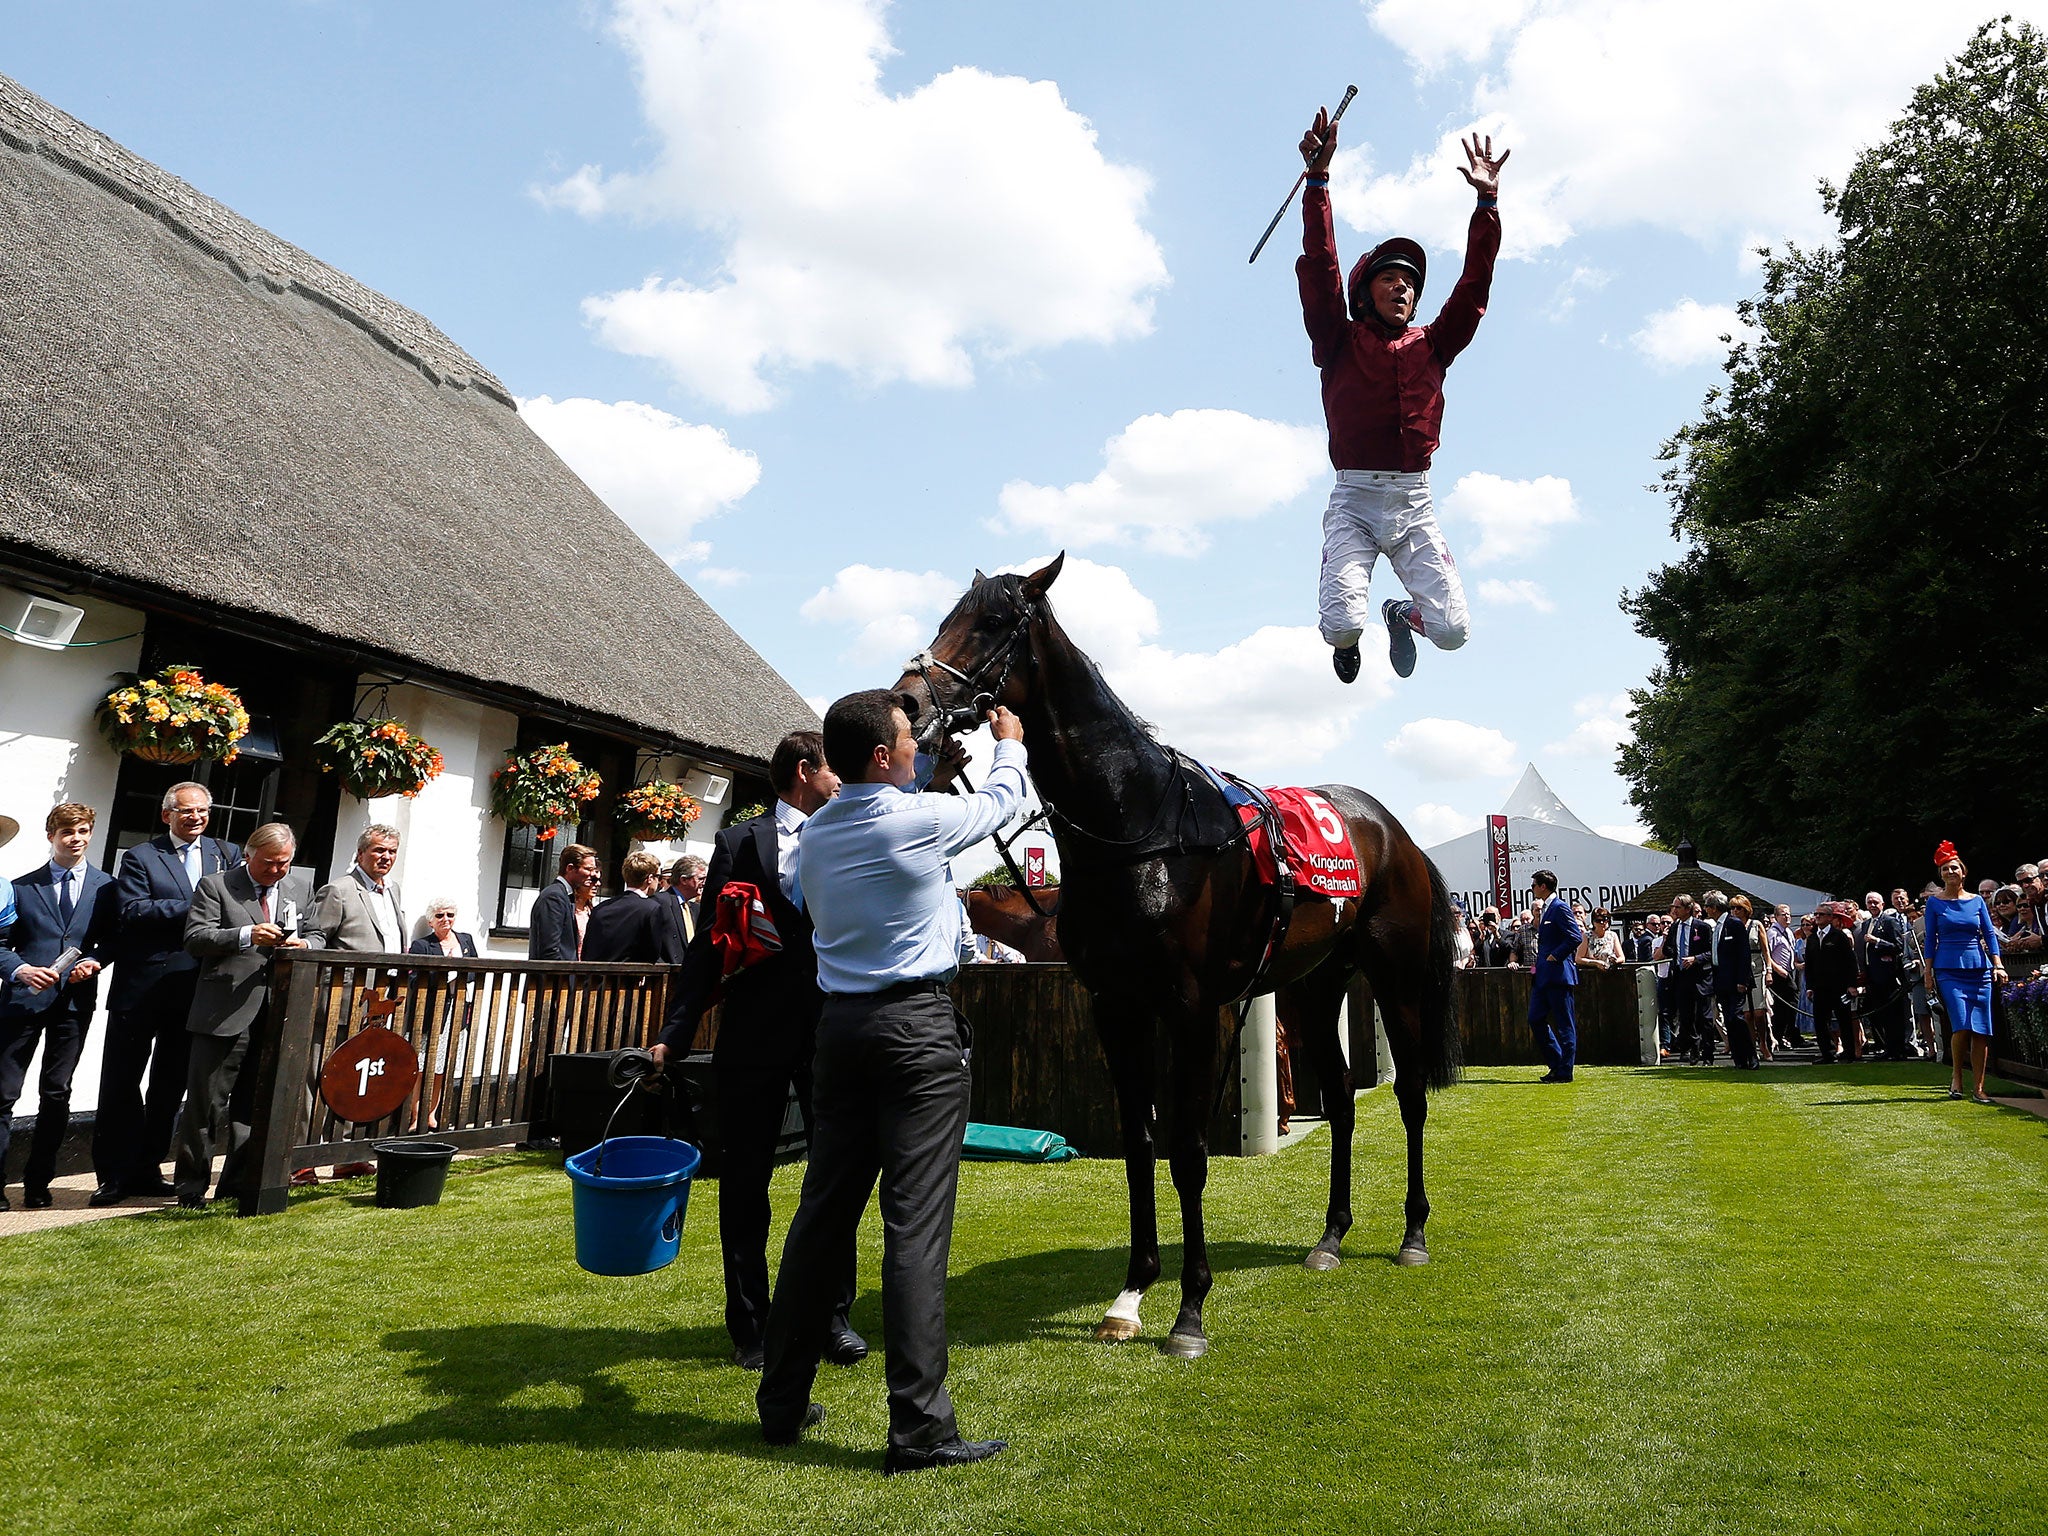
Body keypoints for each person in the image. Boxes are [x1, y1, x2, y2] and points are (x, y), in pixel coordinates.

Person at [754, 691, 1027, 1472]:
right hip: (916, 1033)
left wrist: (929, 777)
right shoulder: (921, 820)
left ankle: (780, 1402)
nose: (914, 746)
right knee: (915, 1229)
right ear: (882, 755)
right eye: (907, 739)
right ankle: (918, 1429)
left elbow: (859, 848)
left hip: (838, 1033)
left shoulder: (814, 837)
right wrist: (1010, 742)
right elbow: (1002, 803)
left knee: (821, 1220)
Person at [655, 731, 861, 1375]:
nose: (841, 777)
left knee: (837, 1172)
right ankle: (749, 1324)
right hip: (754, 1029)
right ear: (806, 772)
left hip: (832, 1026)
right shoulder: (739, 842)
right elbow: (713, 943)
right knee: (745, 1180)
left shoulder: (853, 829)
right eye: (833, 768)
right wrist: (676, 1032)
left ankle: (834, 1317)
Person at [1294, 106, 1507, 683]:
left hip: (1414, 504)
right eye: (1390, 278)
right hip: (1355, 500)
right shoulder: (1337, 338)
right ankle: (1348, 635)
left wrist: (1486, 206)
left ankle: (1399, 612)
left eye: (1411, 282)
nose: (1403, 287)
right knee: (1339, 625)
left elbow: (1474, 287)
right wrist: (1318, 183)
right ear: (1364, 293)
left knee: (1453, 634)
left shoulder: (1434, 344)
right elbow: (1321, 266)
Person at [93, 781, 242, 1206]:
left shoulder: (225, 854)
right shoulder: (142, 856)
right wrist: (197, 905)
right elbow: (132, 911)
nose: (195, 817)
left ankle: (147, 1167)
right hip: (142, 990)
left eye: (202, 811)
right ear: (167, 815)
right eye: (186, 811)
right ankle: (114, 1175)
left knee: (169, 1087)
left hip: (196, 989)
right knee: (122, 1083)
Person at [172, 822, 311, 1209]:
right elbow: (196, 939)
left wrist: (306, 941)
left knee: (255, 1103)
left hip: (276, 1011)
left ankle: (236, 1183)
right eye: (269, 864)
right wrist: (247, 935)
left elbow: (317, 932)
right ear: (248, 855)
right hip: (224, 1011)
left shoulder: (298, 887)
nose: (277, 871)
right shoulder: (216, 886)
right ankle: (190, 1186)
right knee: (207, 1103)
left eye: (284, 864)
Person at [0, 804, 117, 1210]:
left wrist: (96, 959)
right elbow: (0, 946)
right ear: (51, 836)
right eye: (68, 832)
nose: (77, 839)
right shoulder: (20, 886)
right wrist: (20, 970)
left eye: (84, 831)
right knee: (3, 1094)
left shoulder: (106, 887)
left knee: (56, 1092)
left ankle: (37, 1183)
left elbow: (114, 940)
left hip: (73, 1004)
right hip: (22, 1004)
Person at [1923, 841, 2005, 1104]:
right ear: (1941, 874)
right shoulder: (1935, 904)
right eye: (1945, 869)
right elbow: (1930, 939)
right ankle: (1957, 1076)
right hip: (1948, 969)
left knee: (1981, 1028)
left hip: (1978, 968)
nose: (1950, 872)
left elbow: (1989, 933)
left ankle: (1979, 1087)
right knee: (1961, 1025)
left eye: (1954, 868)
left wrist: (1998, 963)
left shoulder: (1977, 900)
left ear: (1963, 872)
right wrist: (1928, 970)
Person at [406, 900, 477, 1132]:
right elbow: (415, 979)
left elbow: (476, 969)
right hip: (430, 1015)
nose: (446, 919)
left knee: (442, 1067)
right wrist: (445, 975)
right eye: (440, 916)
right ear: (430, 921)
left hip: (457, 1012)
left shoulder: (465, 940)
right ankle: (416, 1115)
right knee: (420, 1066)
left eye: (450, 914)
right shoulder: (422, 945)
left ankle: (431, 1114)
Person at [305, 825, 407, 953]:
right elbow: (317, 939)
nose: (387, 857)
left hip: (392, 972)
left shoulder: (393, 889)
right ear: (360, 853)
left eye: (392, 851)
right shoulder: (338, 891)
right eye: (380, 850)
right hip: (350, 972)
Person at [1526, 870, 1581, 1083]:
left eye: (1533, 885)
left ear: (1542, 886)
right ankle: (1557, 1064)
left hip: (1558, 976)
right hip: (1542, 977)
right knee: (1535, 1018)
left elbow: (1575, 936)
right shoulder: (1547, 909)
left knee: (1565, 1024)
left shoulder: (1560, 908)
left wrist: (1554, 956)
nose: (1531, 888)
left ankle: (1565, 1071)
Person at [582, 851, 684, 964]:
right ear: (649, 878)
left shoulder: (601, 908)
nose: (659, 882)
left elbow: (587, 949)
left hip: (594, 978)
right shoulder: (651, 908)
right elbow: (652, 953)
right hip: (628, 978)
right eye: (658, 877)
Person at [1702, 893, 1758, 1069]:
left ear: (1714, 908)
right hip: (1721, 980)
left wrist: (1742, 980)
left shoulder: (1733, 924)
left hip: (1735, 980)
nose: (1705, 910)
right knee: (1729, 1019)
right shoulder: (1716, 927)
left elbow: (1743, 953)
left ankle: (1751, 1055)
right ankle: (1739, 1059)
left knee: (1737, 1017)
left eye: (1707, 906)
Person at [1861, 891, 1914, 1060]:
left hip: (1889, 976)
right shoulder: (1866, 923)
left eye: (1875, 902)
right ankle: (1887, 1048)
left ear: (1882, 904)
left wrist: (1877, 941)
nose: (1872, 905)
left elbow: (1898, 946)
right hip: (1873, 976)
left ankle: (1898, 1050)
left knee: (1894, 1014)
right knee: (1881, 1015)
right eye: (1869, 902)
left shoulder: (1890, 921)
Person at [1807, 903, 1861, 1064]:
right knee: (1821, 1022)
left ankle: (1849, 1053)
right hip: (1819, 987)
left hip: (1839, 986)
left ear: (1830, 918)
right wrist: (1810, 986)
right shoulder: (1812, 938)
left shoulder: (1839, 936)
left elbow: (1851, 962)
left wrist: (1851, 984)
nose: (1817, 917)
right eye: (1816, 914)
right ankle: (1827, 1053)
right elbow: (1809, 964)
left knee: (1844, 1020)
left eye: (1821, 914)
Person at [1665, 895, 1717, 1063]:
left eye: (1678, 907)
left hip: (1700, 977)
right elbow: (1668, 949)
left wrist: (1695, 958)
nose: (1674, 910)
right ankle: (1692, 1047)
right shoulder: (1674, 927)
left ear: (1688, 909)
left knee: (1704, 1017)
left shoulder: (1702, 927)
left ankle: (1708, 1052)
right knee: (1686, 1017)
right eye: (1673, 907)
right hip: (1681, 977)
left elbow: (1711, 952)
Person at [528, 843, 597, 962]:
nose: (593, 875)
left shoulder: (565, 895)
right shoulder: (554, 897)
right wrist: (562, 979)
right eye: (588, 869)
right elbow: (549, 950)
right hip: (555, 978)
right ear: (570, 868)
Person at [1730, 895, 1773, 1064]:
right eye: (1733, 908)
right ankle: (1752, 1046)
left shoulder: (1757, 925)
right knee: (1747, 1014)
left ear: (1746, 909)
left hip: (1757, 970)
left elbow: (1765, 950)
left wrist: (1769, 970)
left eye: (1738, 908)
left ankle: (1763, 1042)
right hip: (1740, 972)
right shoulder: (1732, 926)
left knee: (1759, 1012)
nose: (1735, 911)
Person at [1765, 904, 1802, 1051]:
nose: (1787, 917)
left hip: (1788, 972)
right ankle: (1778, 1037)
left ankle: (1783, 1036)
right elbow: (1766, 955)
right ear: (1776, 917)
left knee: (1788, 1007)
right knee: (1786, 1005)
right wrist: (1777, 969)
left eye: (1788, 914)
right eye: (1783, 915)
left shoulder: (1788, 932)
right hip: (1778, 975)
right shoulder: (1772, 933)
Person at [666, 855, 707, 943]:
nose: (704, 883)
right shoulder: (661, 903)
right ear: (684, 880)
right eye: (700, 879)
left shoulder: (696, 909)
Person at [1575, 907, 1624, 971]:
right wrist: (1595, 963)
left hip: (1610, 972)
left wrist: (1615, 961)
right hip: (1591, 973)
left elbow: (1622, 957)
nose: (1602, 923)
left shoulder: (1612, 935)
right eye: (1598, 920)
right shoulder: (1587, 936)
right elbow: (1578, 959)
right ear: (1593, 922)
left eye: (1605, 920)